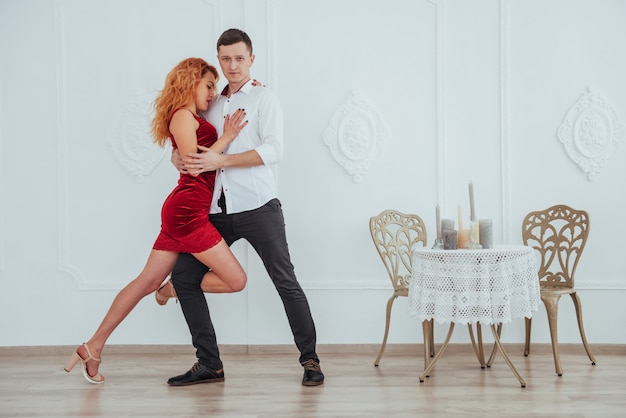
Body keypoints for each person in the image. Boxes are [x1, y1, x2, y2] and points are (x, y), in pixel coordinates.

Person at [64, 57, 249, 384]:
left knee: (146, 283)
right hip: (188, 212)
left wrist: (253, 86)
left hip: (186, 210)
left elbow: (220, 106)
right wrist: (228, 136)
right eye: (207, 85)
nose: (211, 93)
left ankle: (92, 347)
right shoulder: (181, 115)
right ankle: (174, 287)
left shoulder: (194, 115)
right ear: (191, 81)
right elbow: (194, 165)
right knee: (236, 281)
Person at [167, 28, 325, 387]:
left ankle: (311, 360)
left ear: (251, 59)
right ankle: (209, 363)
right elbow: (196, 148)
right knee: (183, 278)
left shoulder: (265, 99)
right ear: (219, 60)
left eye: (239, 58)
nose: (232, 65)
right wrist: (177, 156)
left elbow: (274, 150)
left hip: (258, 208)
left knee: (285, 281)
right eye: (225, 59)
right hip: (215, 212)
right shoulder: (212, 102)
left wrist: (222, 160)